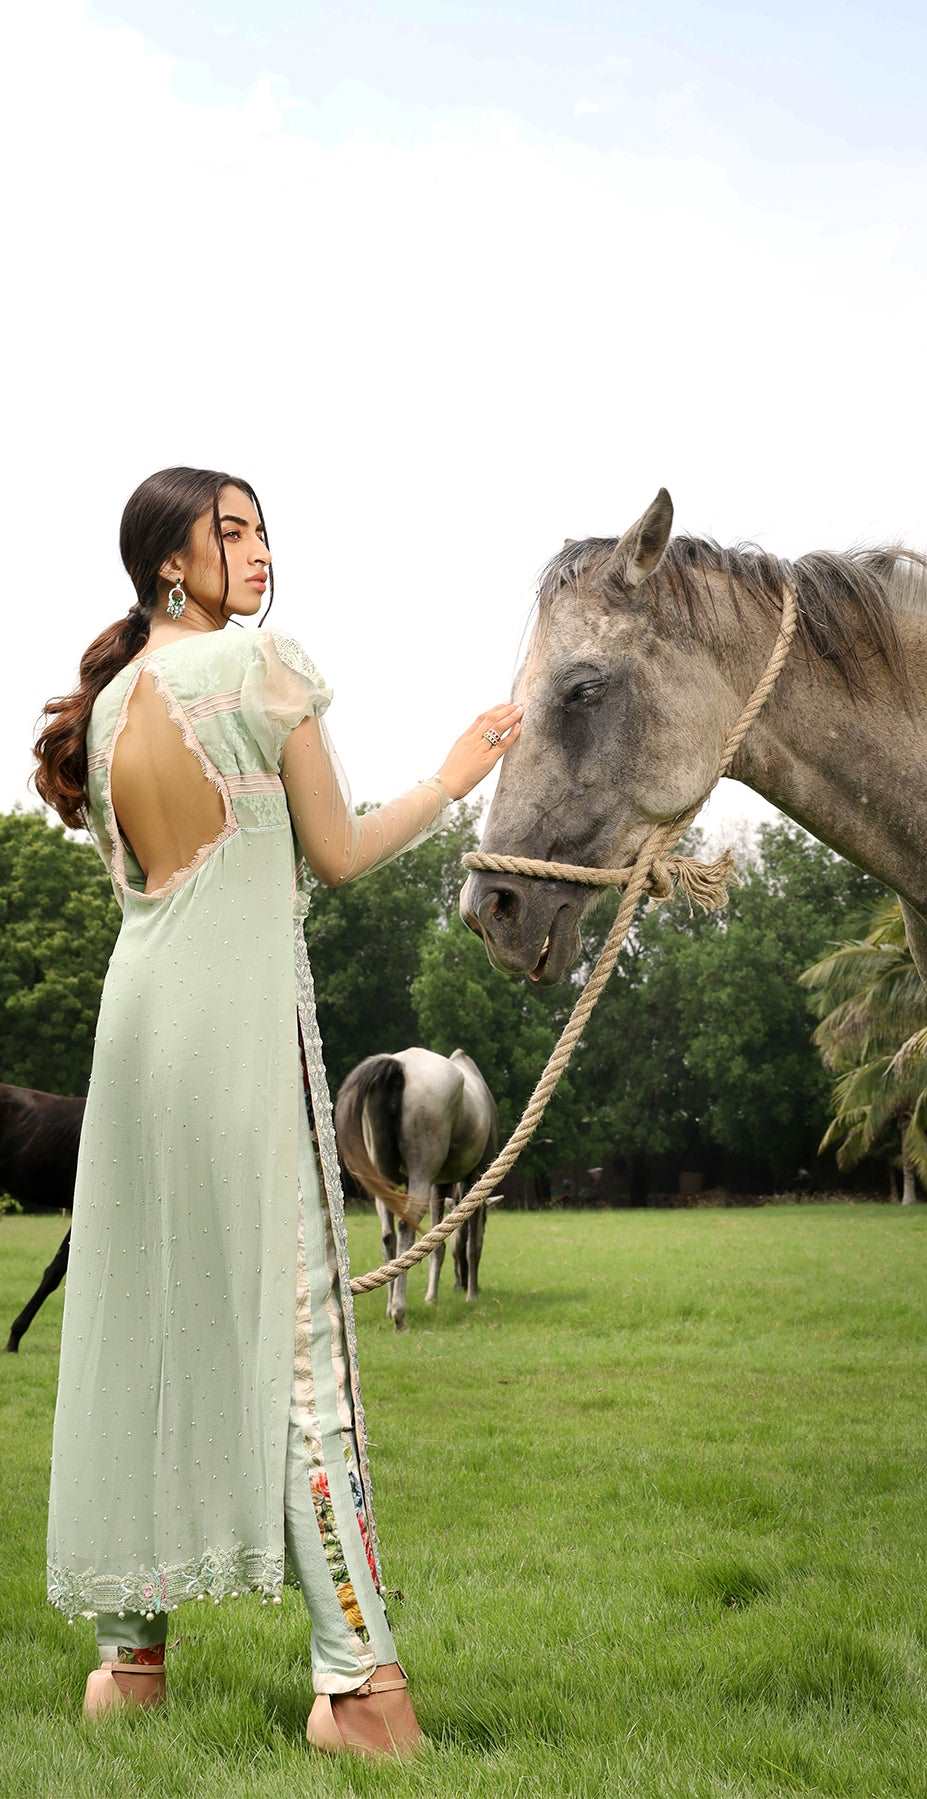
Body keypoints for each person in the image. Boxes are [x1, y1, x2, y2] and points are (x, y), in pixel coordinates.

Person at [31, 465, 522, 1761]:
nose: (258, 551)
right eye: (231, 531)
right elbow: (342, 852)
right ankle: (360, 1686)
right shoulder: (257, 668)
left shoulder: (116, 696)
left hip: (138, 1034)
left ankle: (129, 1667)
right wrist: (458, 772)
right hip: (236, 1032)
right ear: (169, 566)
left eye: (262, 529)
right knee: (300, 1340)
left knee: (141, 1319)